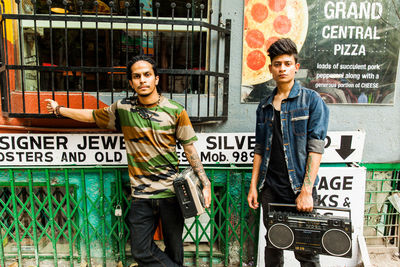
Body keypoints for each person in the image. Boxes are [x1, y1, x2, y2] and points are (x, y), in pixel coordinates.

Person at [45, 55, 211, 267]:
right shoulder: (123, 109)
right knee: (141, 251)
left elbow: (190, 149)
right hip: (141, 195)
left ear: (156, 79)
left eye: (147, 75)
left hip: (171, 194)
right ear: (131, 82)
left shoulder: (175, 110)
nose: (142, 80)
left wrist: (205, 183)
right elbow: (91, 116)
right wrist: (60, 110)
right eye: (137, 76)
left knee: (175, 251)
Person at [247, 38, 329, 267]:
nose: (282, 68)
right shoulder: (264, 106)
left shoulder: (312, 101)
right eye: (277, 64)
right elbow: (260, 148)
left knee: (306, 250)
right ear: (270, 68)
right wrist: (254, 185)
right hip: (270, 189)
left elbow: (316, 147)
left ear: (296, 66)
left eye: (286, 63)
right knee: (274, 245)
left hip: (298, 189)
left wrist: (306, 190)